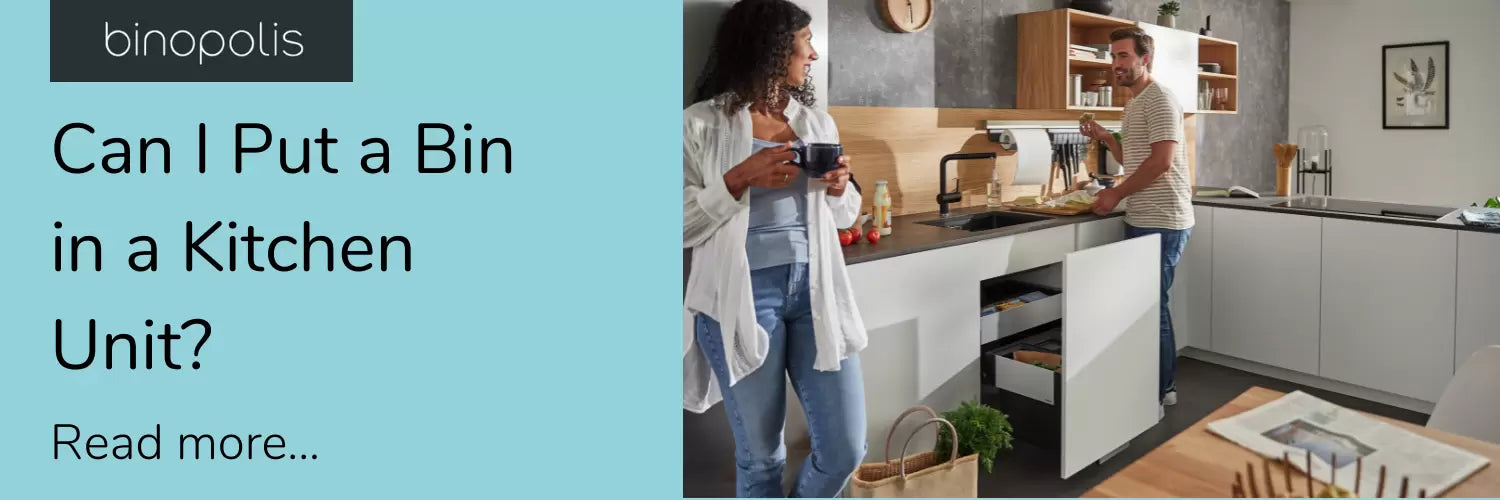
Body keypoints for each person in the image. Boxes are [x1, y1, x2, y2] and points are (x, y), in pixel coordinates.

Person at [682, 0, 868, 497]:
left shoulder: (815, 123)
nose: (813, 55)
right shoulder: (700, 123)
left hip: (816, 292)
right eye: (806, 42)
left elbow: (845, 215)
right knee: (762, 458)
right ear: (772, 46)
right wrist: (741, 177)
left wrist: (840, 188)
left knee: (847, 449)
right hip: (741, 297)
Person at [1080, 26, 1193, 409]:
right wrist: (1106, 138)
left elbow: (1161, 162)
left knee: (1150, 305)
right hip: (1144, 215)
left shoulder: (1160, 99)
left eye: (1124, 56)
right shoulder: (1135, 103)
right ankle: (1151, 386)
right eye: (1113, 57)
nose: (1116, 64)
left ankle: (1162, 390)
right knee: (1143, 305)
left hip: (1163, 217)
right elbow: (1137, 158)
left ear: (1146, 59)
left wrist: (1115, 194)